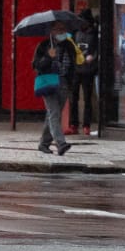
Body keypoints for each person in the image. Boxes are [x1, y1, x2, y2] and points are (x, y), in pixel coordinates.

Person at [33, 21, 76, 155]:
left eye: (63, 29)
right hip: (49, 82)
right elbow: (36, 65)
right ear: (51, 31)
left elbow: (72, 66)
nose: (61, 32)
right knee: (54, 113)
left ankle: (43, 143)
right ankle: (60, 143)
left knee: (52, 114)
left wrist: (71, 83)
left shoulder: (69, 45)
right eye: (58, 29)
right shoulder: (44, 45)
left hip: (63, 83)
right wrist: (48, 57)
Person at [68, 6, 98, 136]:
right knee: (73, 98)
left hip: (88, 69)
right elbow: (70, 48)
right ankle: (73, 124)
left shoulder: (95, 34)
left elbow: (98, 50)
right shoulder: (75, 32)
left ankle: (86, 125)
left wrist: (93, 57)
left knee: (87, 99)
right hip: (76, 69)